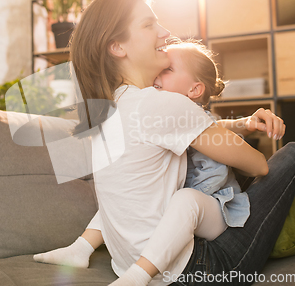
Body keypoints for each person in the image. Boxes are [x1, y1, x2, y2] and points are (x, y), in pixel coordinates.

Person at [33, 0, 295, 286]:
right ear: (117, 46)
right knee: (293, 156)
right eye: (149, 24)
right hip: (203, 269)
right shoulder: (162, 105)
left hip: (128, 264)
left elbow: (191, 129)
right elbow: (258, 165)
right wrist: (239, 135)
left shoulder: (109, 110)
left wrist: (240, 124)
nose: (165, 33)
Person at [34, 38, 254, 269]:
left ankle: (101, 256)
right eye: (159, 70)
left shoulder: (184, 112)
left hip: (212, 201)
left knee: (182, 201)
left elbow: (214, 130)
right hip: (181, 201)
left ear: (194, 89)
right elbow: (216, 126)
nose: (157, 76)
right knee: (119, 200)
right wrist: (243, 123)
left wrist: (244, 125)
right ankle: (81, 247)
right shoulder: (163, 110)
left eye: (167, 70)